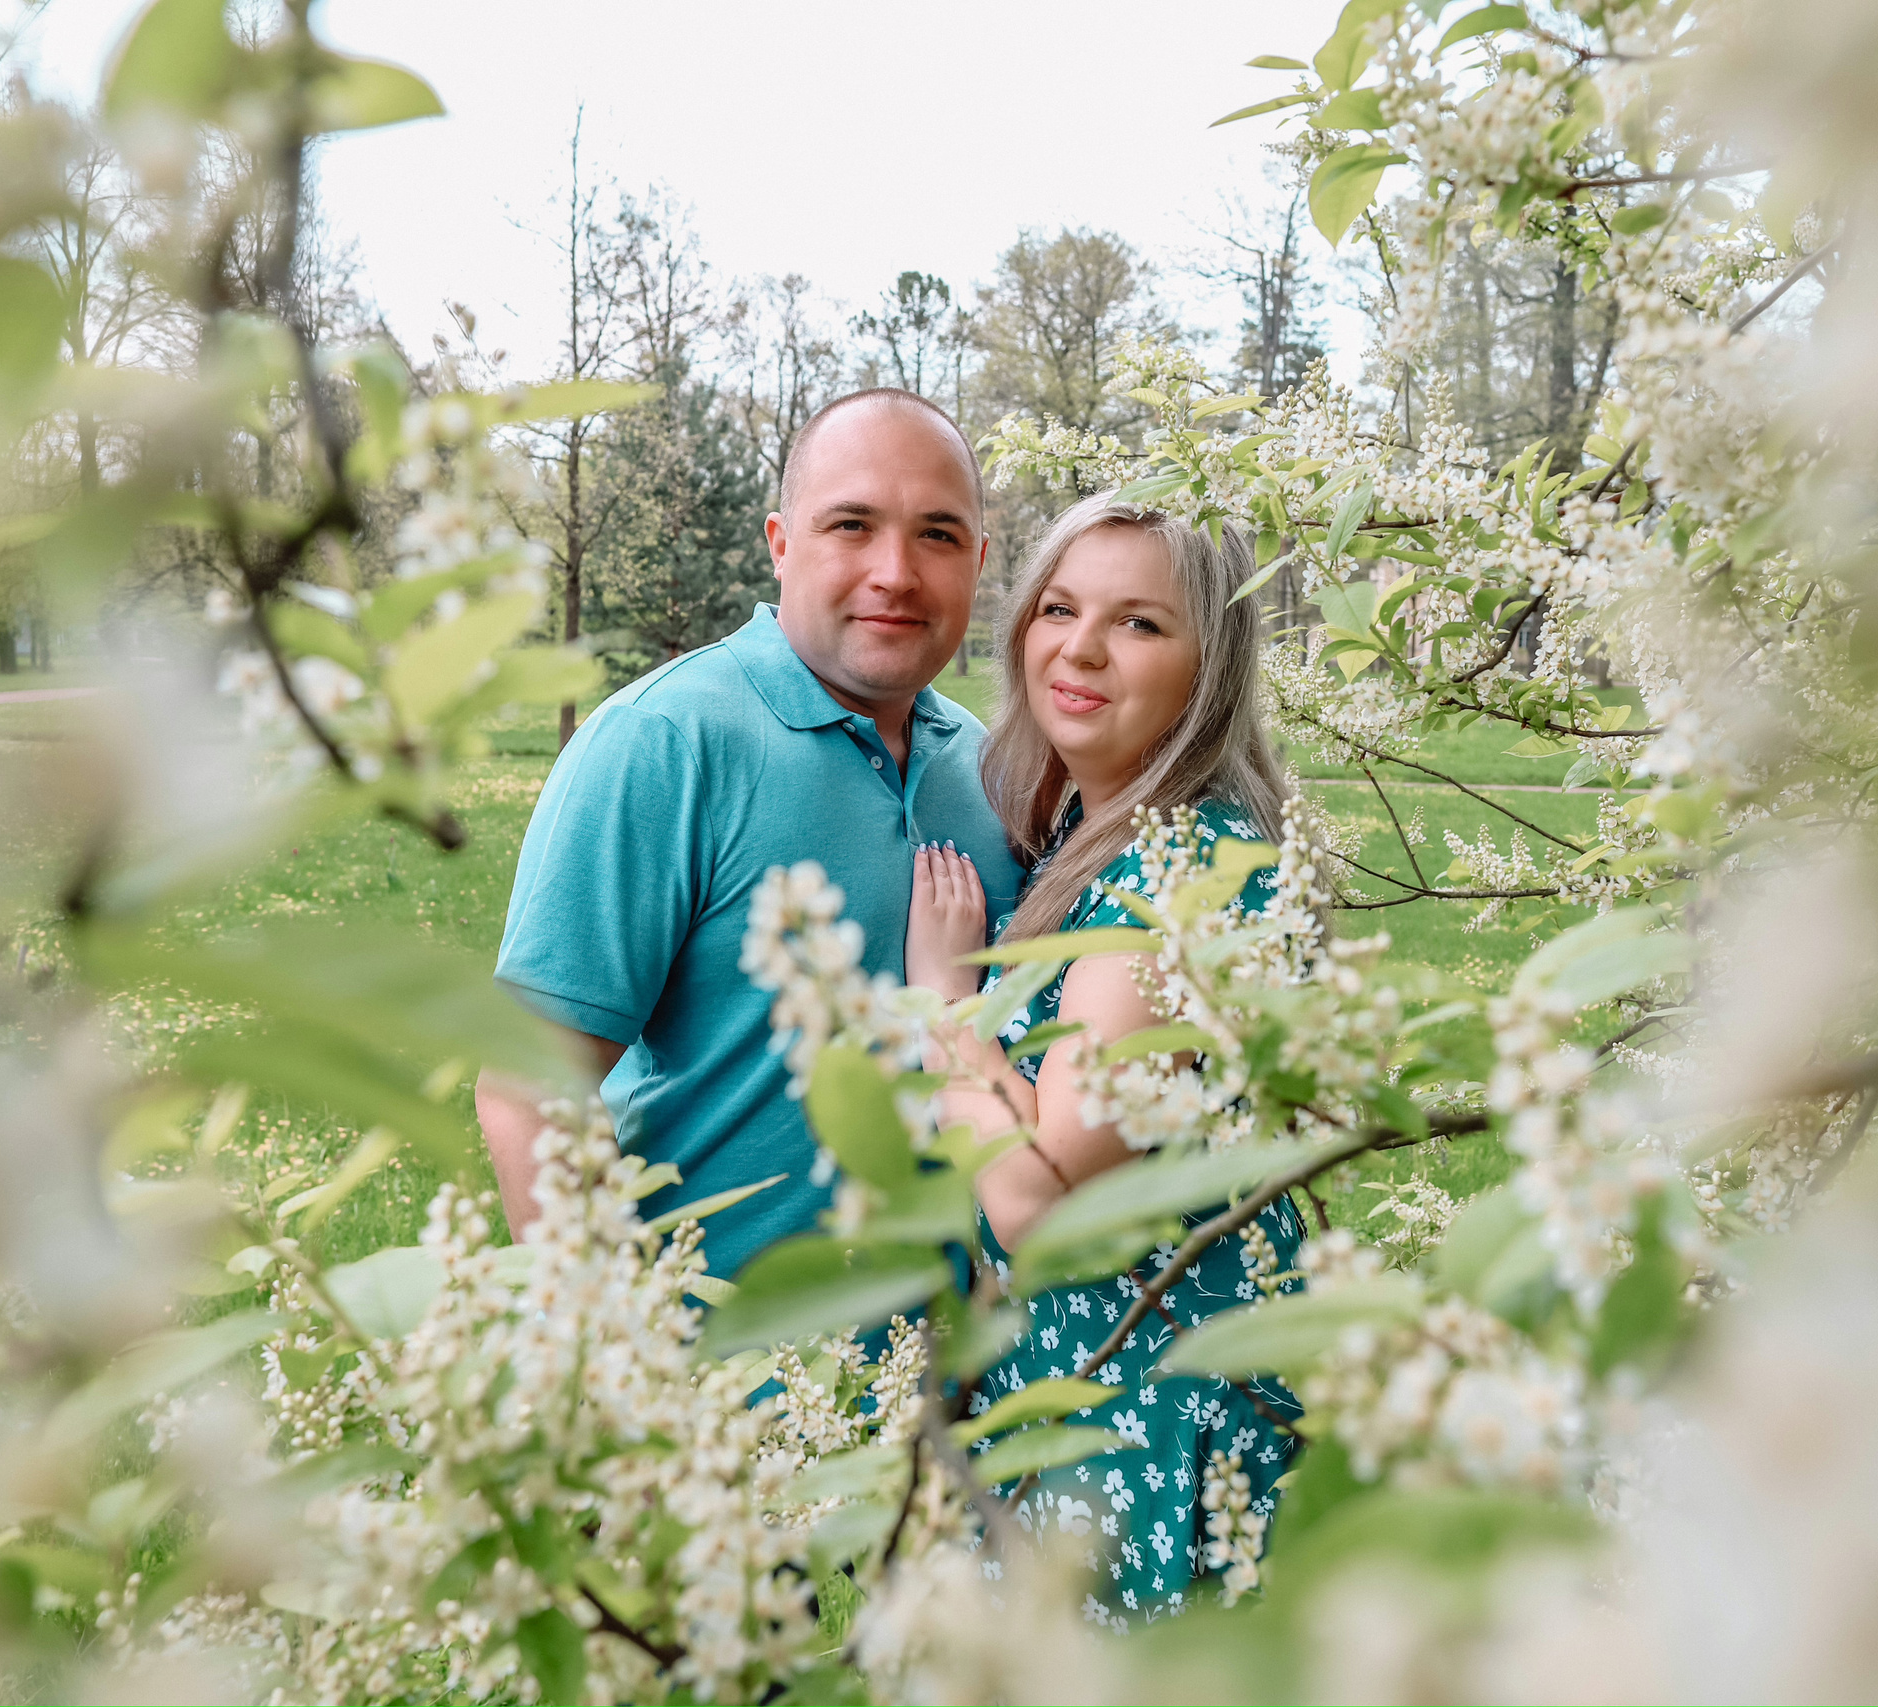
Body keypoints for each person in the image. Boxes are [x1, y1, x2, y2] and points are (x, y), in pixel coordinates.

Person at [480, 389, 1024, 1277]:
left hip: (964, 1390)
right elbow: (529, 1088)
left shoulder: (996, 772)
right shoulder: (664, 742)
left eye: (938, 533)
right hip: (721, 1384)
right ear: (780, 543)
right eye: (851, 524)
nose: (896, 570)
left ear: (978, 560)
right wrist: (619, 1359)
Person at [902, 492, 1307, 1624]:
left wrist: (942, 1004)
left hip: (1145, 1434)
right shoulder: (1102, 847)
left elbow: (1041, 1212)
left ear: (1208, 670)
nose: (1077, 648)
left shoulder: (1180, 880)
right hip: (1080, 1406)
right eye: (1059, 607)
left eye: (1138, 623)